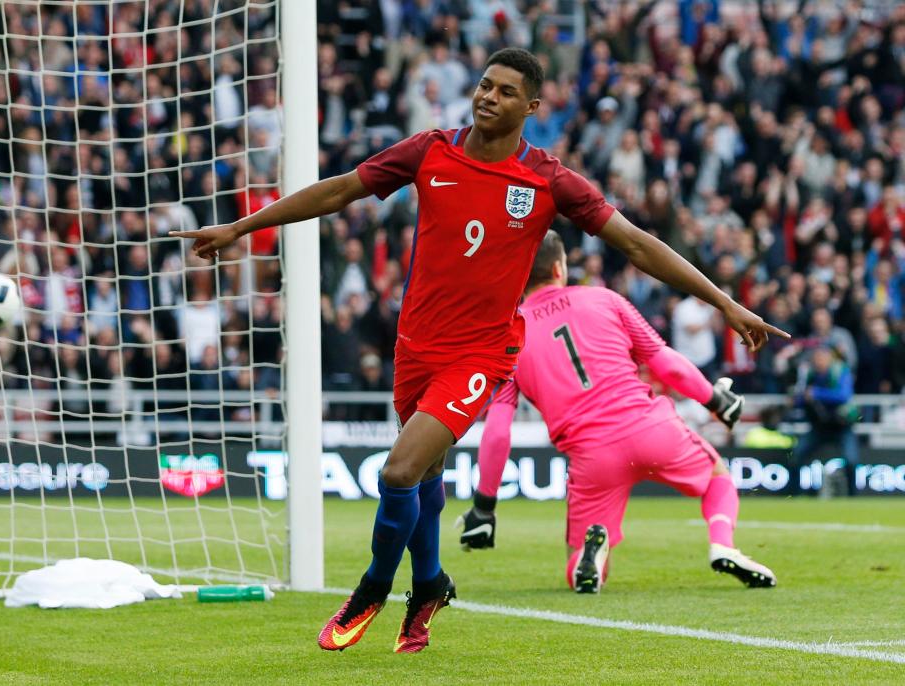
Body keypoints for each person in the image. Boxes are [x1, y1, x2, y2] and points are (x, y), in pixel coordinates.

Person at [172, 49, 787, 652]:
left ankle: (373, 588)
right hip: (415, 346)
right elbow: (338, 192)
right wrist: (241, 228)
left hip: (479, 356)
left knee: (399, 470)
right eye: (485, 85)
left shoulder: (548, 180)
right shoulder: (430, 149)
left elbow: (638, 245)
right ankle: (431, 584)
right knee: (428, 478)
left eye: (505, 91)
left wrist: (724, 302)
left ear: (532, 106)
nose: (488, 96)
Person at [458, 231, 777, 593]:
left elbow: (498, 429)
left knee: (577, 563)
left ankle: (588, 555)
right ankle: (722, 544)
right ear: (560, 268)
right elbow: (665, 364)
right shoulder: (604, 299)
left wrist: (484, 506)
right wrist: (715, 401)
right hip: (651, 428)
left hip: (592, 456)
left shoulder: (509, 337)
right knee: (718, 476)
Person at [792, 345, 860, 496]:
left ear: (830, 358)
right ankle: (794, 495)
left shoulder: (840, 371)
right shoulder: (809, 374)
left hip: (841, 426)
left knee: (851, 460)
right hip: (819, 427)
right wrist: (800, 397)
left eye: (822, 358)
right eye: (816, 358)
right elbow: (799, 398)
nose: (819, 362)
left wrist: (817, 393)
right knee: (796, 454)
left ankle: (853, 496)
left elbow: (844, 395)